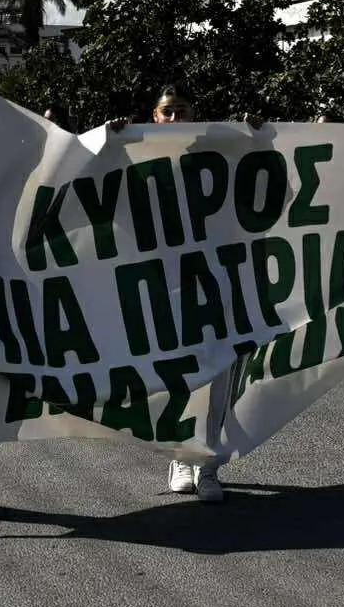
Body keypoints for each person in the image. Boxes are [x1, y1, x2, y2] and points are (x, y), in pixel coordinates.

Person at [106, 83, 263, 505]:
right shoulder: (140, 156)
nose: (175, 119)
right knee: (176, 379)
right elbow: (101, 187)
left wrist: (256, 139)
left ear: (195, 114)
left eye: (182, 110)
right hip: (168, 287)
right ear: (154, 117)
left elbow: (270, 187)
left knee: (218, 379)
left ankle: (208, 465)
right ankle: (180, 456)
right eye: (167, 112)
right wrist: (112, 139)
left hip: (221, 284)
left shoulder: (220, 156)